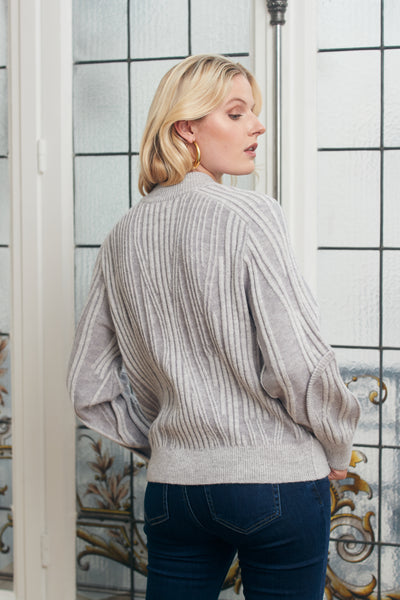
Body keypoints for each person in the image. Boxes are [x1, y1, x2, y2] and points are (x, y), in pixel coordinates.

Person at [67, 54, 360, 600]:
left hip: (174, 491)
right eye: (236, 113)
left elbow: (88, 386)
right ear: (187, 128)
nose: (258, 126)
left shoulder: (121, 236)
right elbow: (297, 362)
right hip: (275, 483)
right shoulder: (250, 216)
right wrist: (337, 444)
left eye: (253, 112)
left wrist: (172, 446)